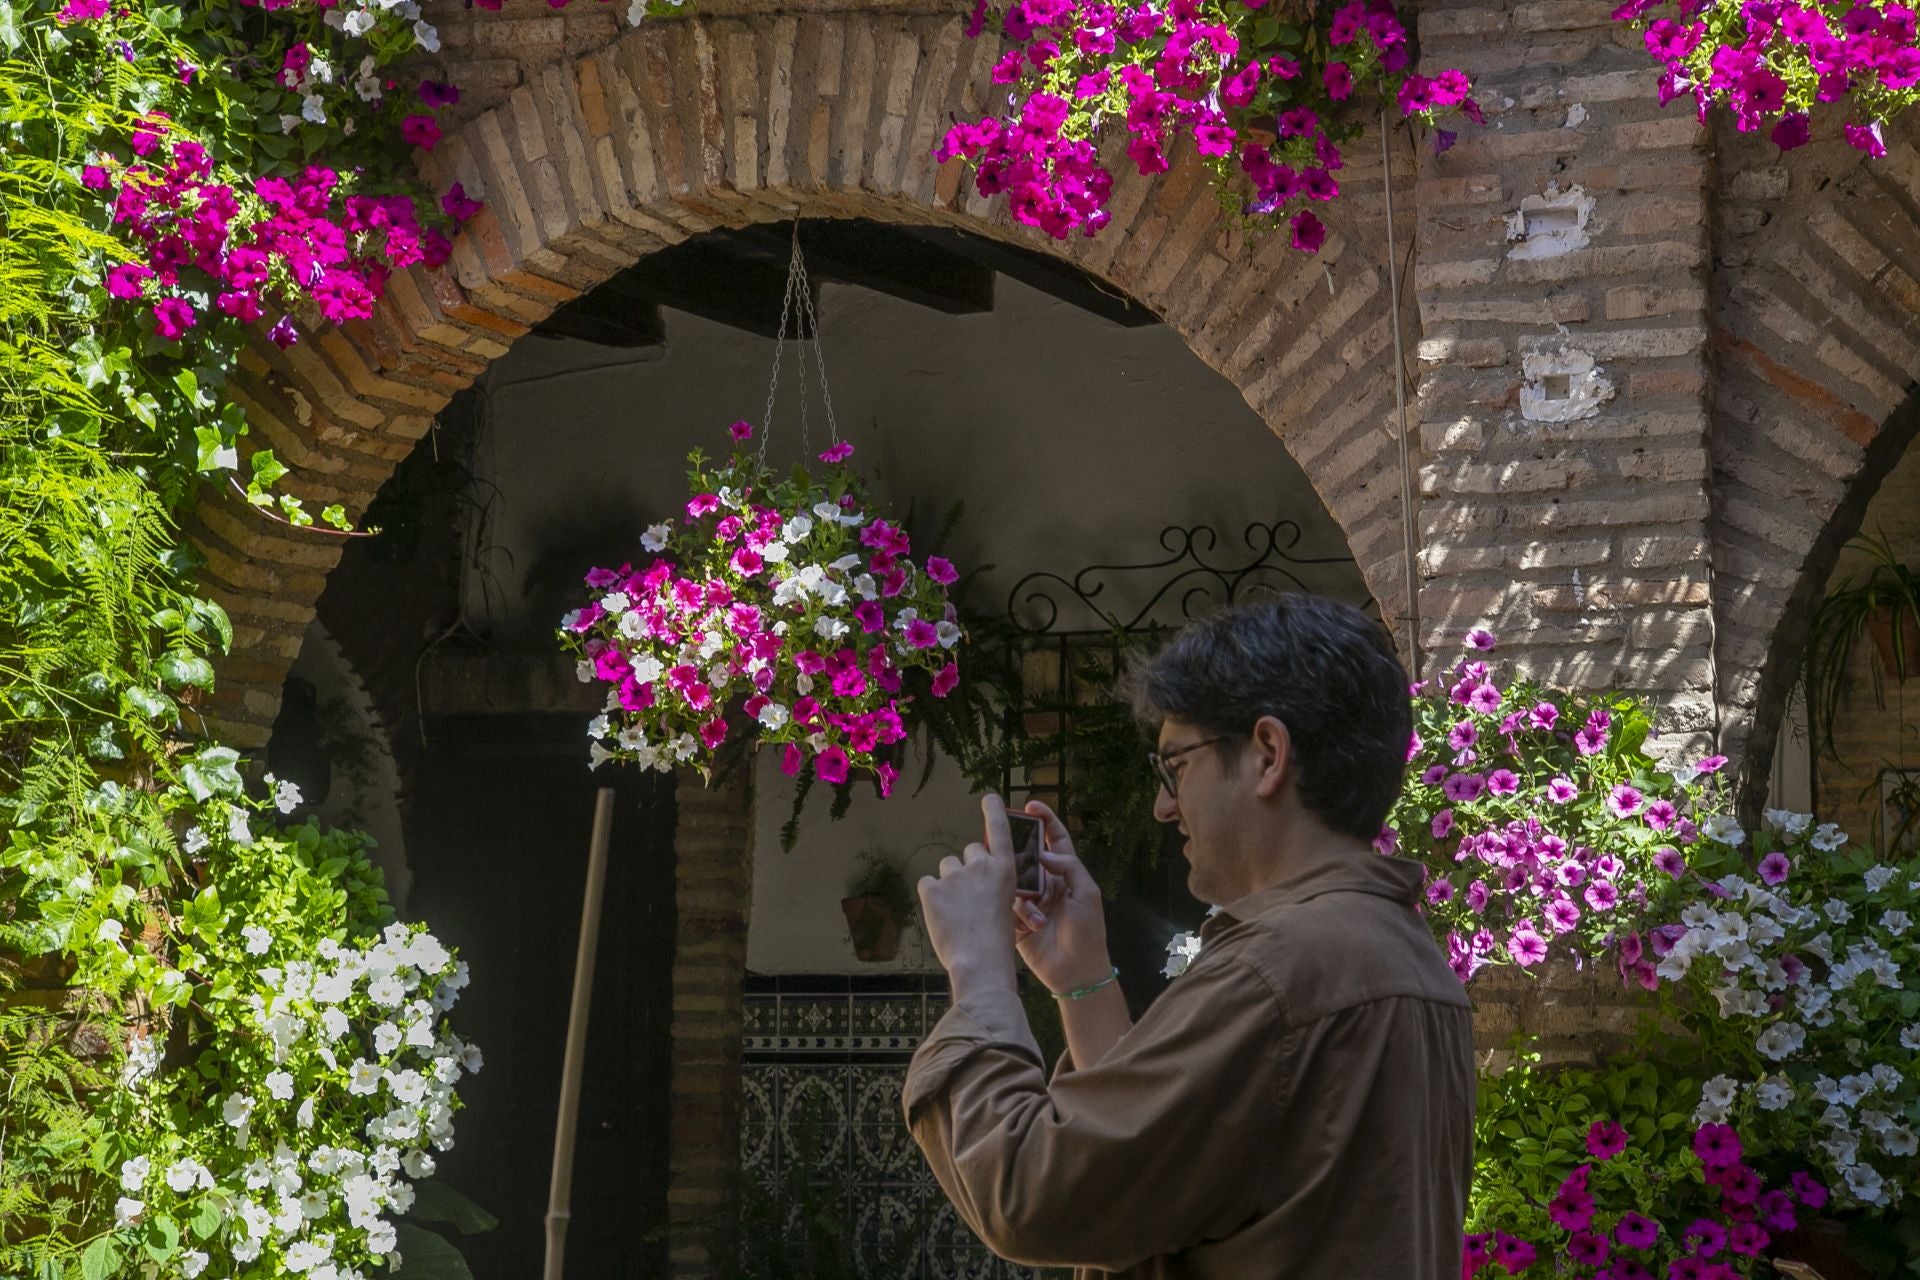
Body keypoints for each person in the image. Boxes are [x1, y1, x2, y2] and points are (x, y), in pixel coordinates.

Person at [902, 595, 1475, 1279]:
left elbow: (1030, 1194)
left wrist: (979, 976)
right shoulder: (1395, 946)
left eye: (1177, 766)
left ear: (1267, 753)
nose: (1163, 805)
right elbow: (1160, 1169)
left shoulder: (1280, 972)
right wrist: (1082, 979)